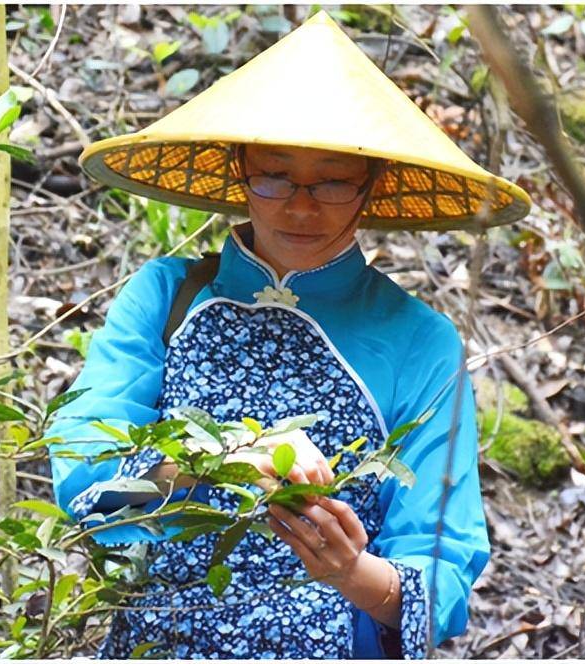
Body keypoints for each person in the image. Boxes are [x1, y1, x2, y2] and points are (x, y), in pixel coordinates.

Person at [46, 10, 531, 659]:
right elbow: (84, 483)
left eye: (332, 180)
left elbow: (441, 566)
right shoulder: (165, 295)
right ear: (236, 166)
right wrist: (209, 461)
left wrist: (349, 572)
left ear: (373, 182)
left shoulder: (420, 341)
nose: (301, 207)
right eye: (273, 176)